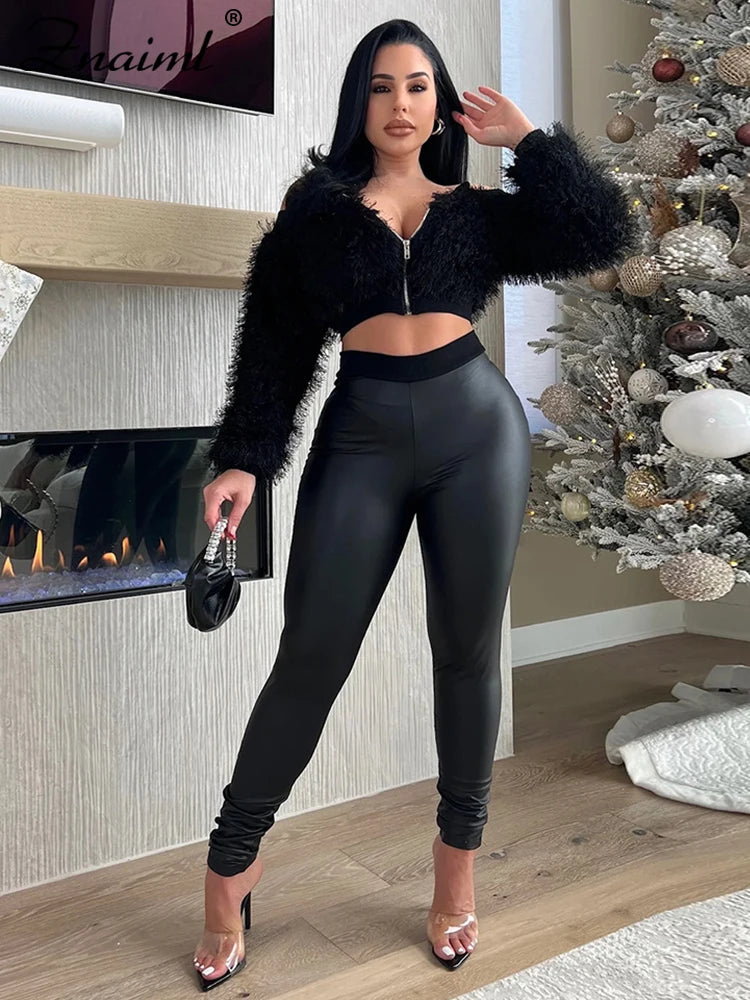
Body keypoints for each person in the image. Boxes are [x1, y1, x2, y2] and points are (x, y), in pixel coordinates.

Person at [192, 18, 637, 989]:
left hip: (477, 430)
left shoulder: (476, 212)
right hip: (360, 436)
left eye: (419, 86)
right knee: (311, 653)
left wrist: (531, 143)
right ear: (360, 100)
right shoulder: (315, 211)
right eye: (383, 86)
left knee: (467, 652)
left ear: (440, 106)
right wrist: (243, 461)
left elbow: (605, 232)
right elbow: (275, 342)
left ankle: (455, 870)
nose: (401, 104)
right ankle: (231, 865)